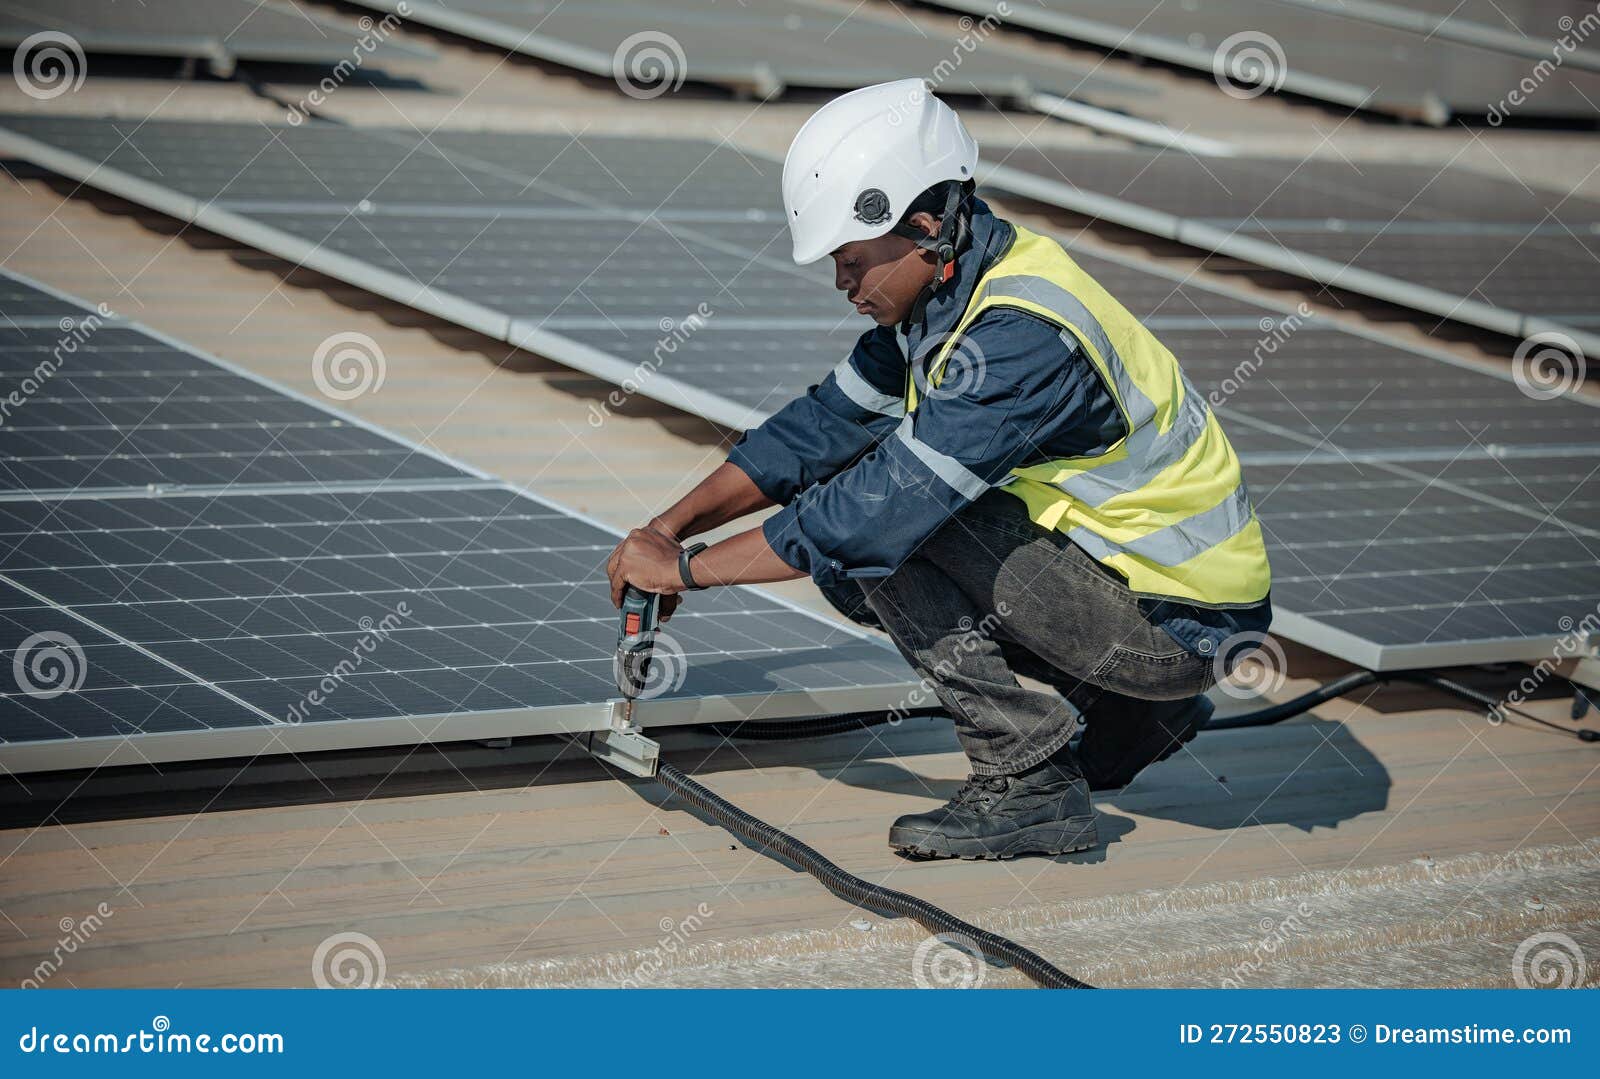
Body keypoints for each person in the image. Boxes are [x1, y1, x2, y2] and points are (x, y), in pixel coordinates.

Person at [606, 79, 1272, 860]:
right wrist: (667, 526)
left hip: (1181, 628)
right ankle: (1127, 715)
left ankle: (1026, 778)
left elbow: (875, 511)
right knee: (858, 502)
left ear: (923, 227)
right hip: (1149, 598)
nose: (842, 286)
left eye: (852, 264)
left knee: (885, 522)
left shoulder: (1021, 335)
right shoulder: (942, 292)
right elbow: (821, 427)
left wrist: (686, 572)